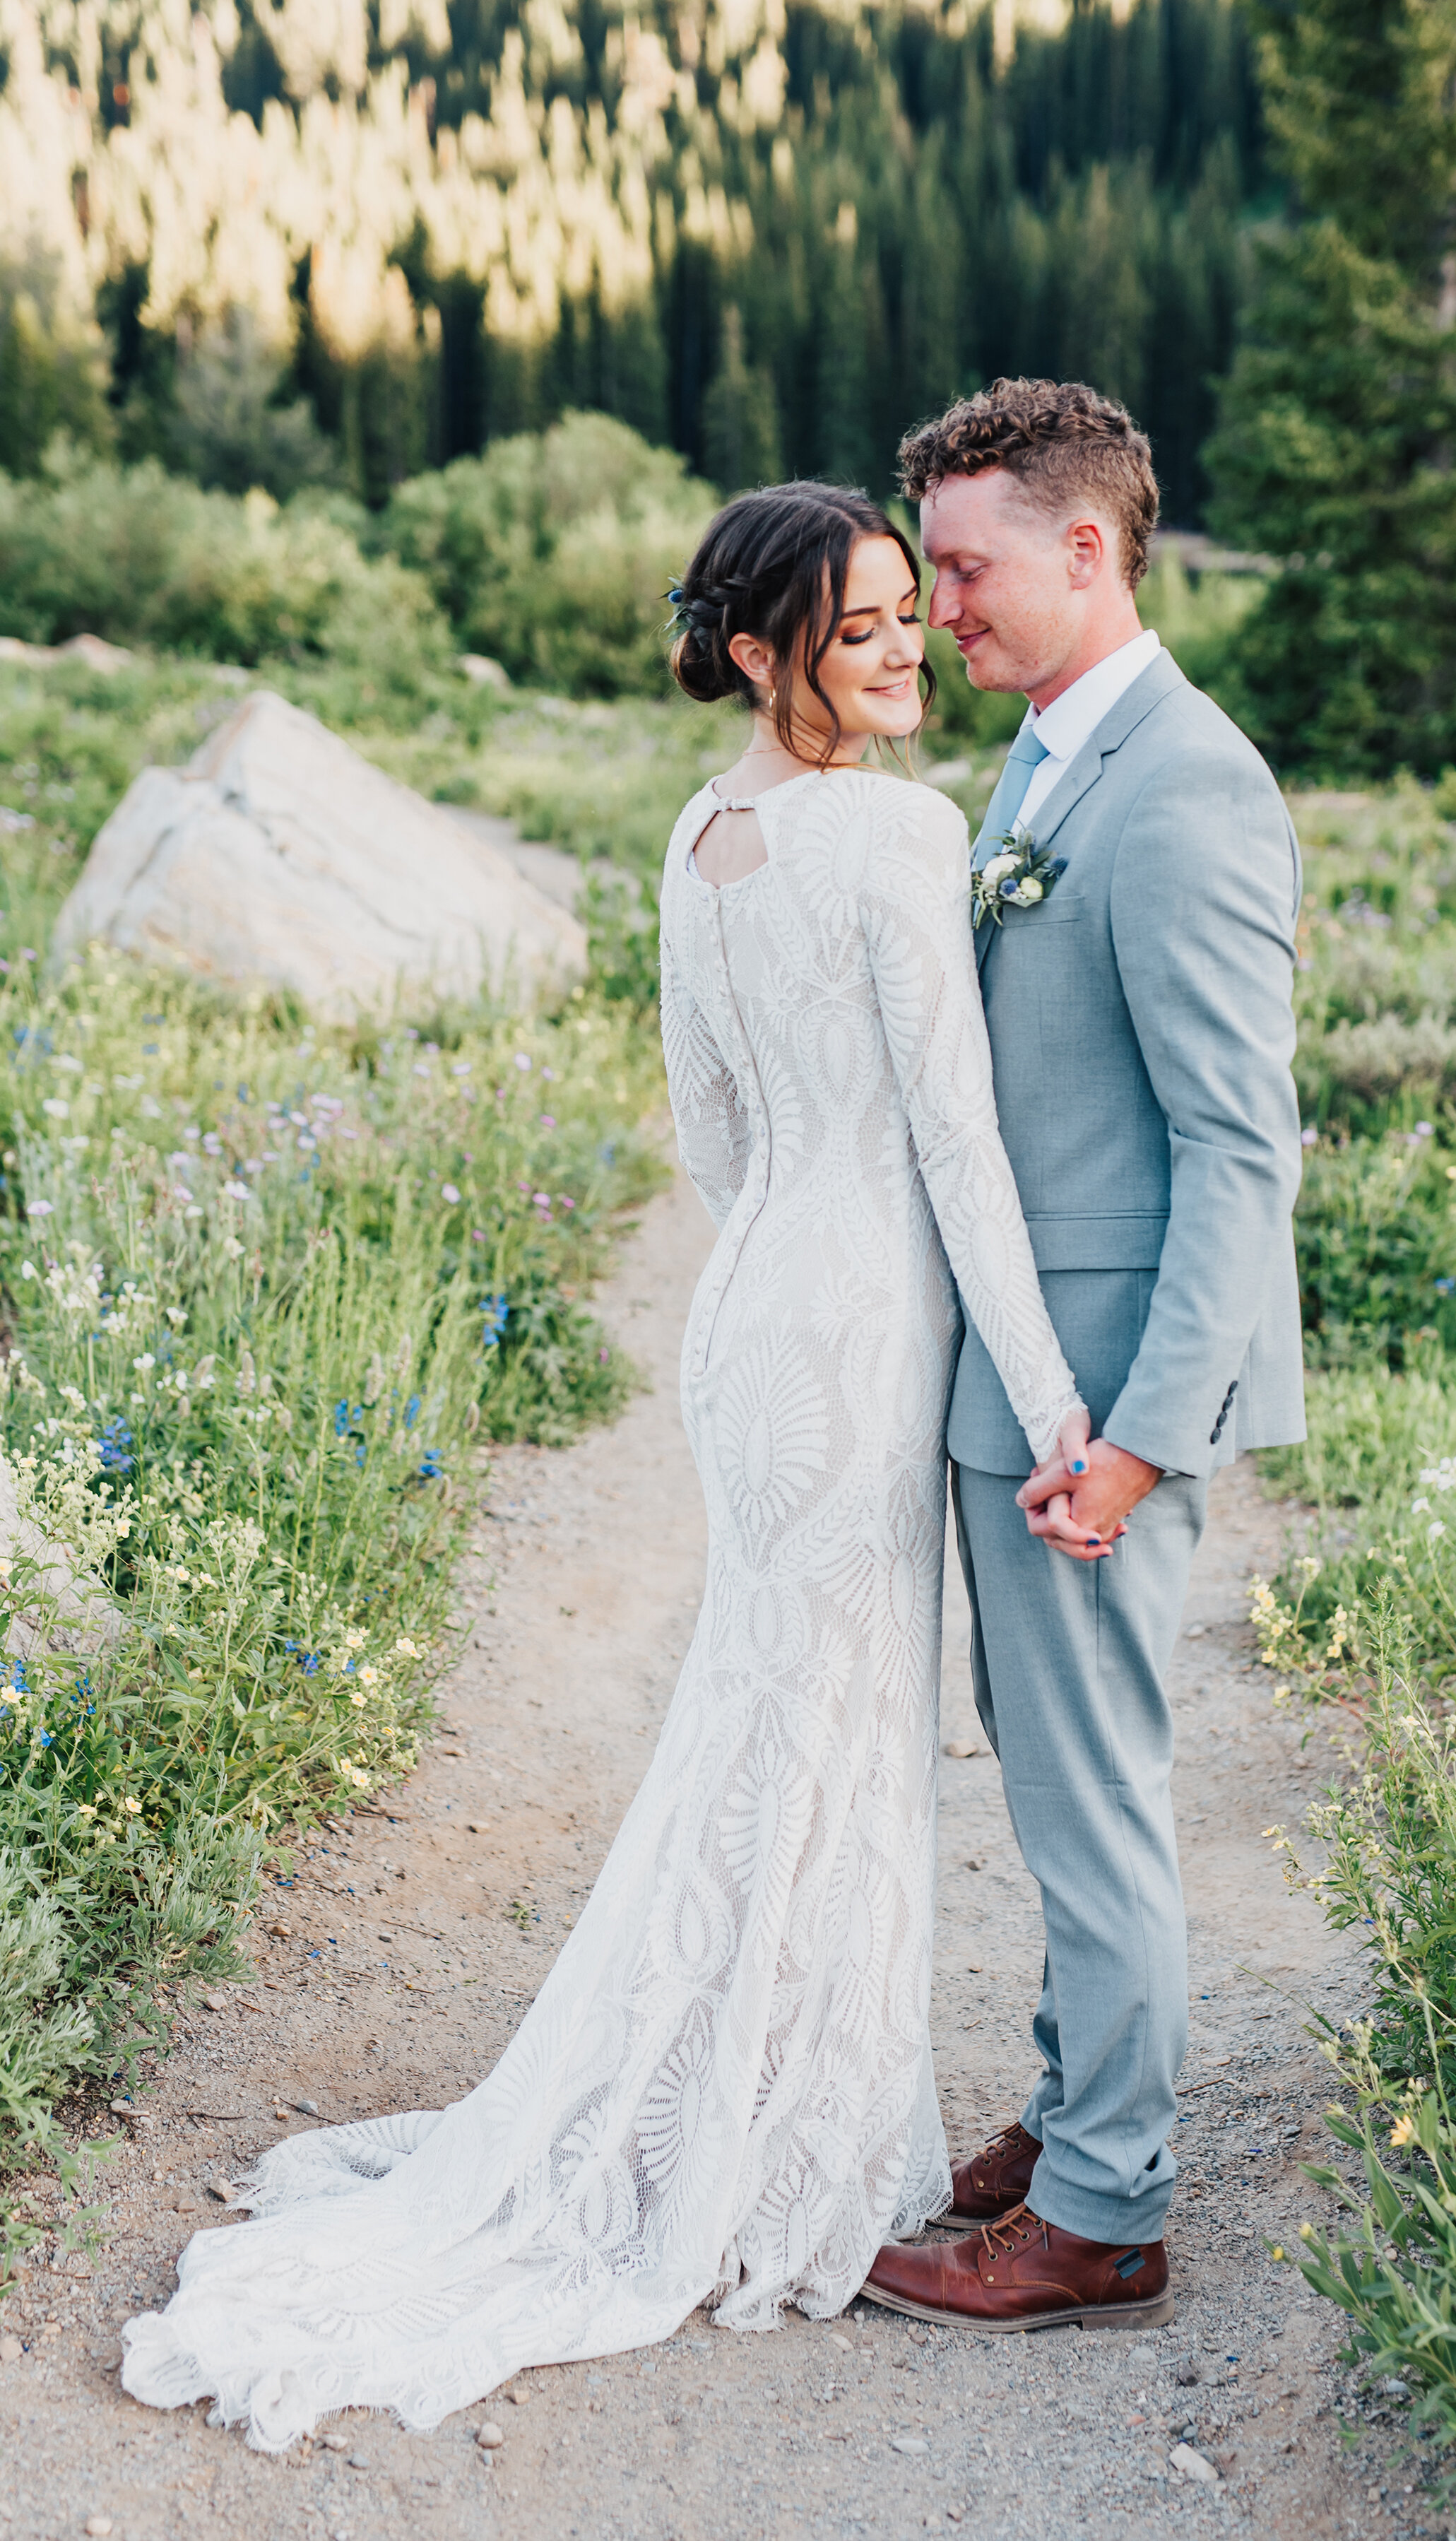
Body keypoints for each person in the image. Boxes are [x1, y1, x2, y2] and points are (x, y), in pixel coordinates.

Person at [120, 481, 1097, 2450]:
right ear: (759, 650)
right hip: (858, 1328)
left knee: (768, 1717)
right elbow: (959, 1149)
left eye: (913, 615)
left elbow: (713, 1136)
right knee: (825, 1726)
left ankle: (739, 2102)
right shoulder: (899, 835)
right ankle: (782, 2147)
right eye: (860, 628)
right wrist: (1057, 1404)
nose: (905, 651)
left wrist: (800, 1259)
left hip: (752, 1315)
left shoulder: (703, 829)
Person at [862, 378, 1305, 2333]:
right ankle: (1070, 2108)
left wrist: (1136, 1435)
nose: (938, 608)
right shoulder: (1044, 757)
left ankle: (1109, 2206)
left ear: (1085, 547)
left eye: (960, 569)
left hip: (1102, 1400)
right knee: (1053, 1776)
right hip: (1028, 1381)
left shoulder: (1189, 784)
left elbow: (1238, 1148)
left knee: (1094, 1792)